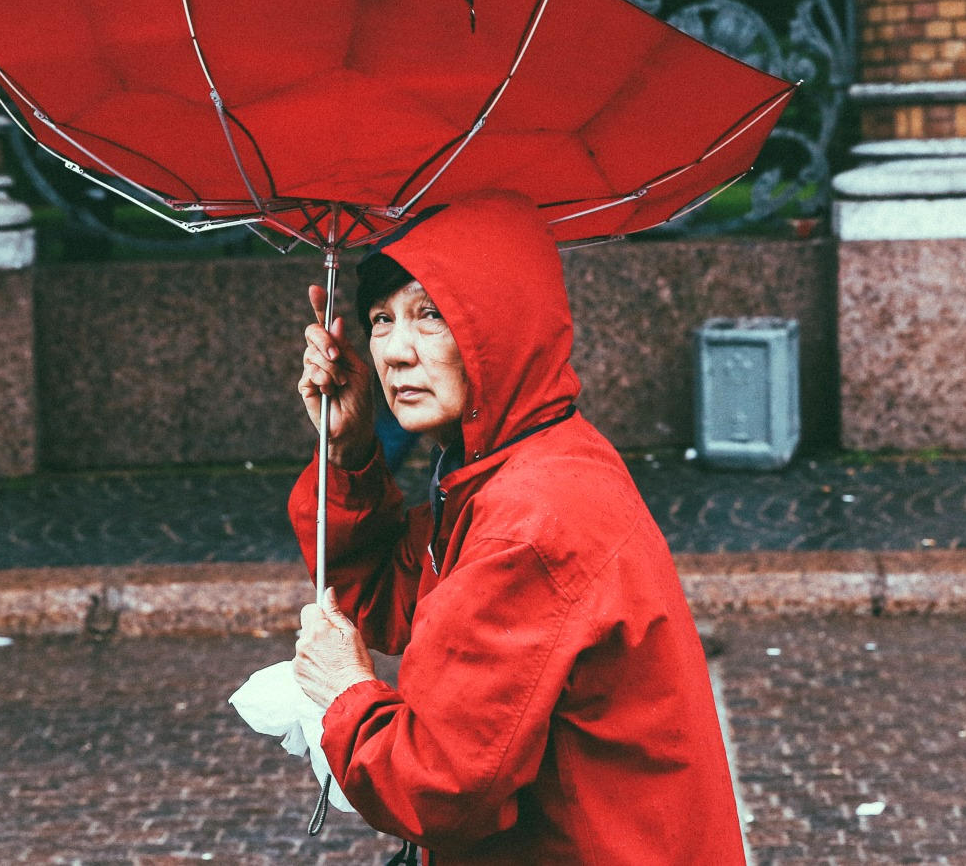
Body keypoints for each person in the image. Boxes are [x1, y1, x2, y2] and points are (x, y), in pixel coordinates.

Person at [287, 191, 746, 865]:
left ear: (499, 325)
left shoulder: (530, 518)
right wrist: (353, 450)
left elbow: (439, 786)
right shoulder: (513, 462)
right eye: (381, 319)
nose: (395, 352)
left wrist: (344, 692)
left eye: (430, 314)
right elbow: (390, 597)